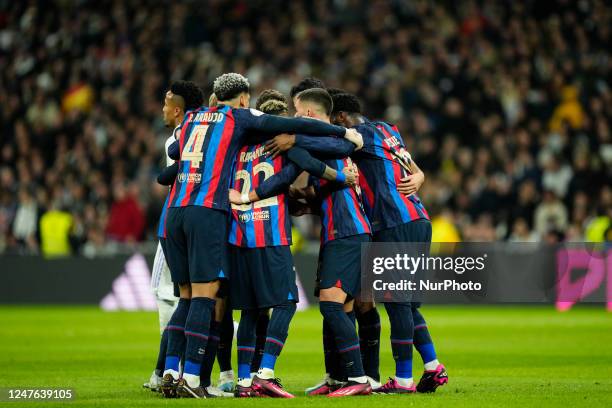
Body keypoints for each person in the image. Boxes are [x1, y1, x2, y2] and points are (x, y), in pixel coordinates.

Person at [161, 73, 358, 399]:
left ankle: (220, 376)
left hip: (219, 228)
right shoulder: (260, 131)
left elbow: (171, 158)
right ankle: (247, 374)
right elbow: (304, 163)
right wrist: (341, 165)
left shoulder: (209, 128)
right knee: (271, 301)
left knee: (235, 307)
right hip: (262, 230)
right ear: (244, 101)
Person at [239, 88, 373, 397]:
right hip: (342, 231)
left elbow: (331, 146)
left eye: (299, 112)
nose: (296, 118)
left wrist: (295, 140)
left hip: (347, 232)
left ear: (309, 115)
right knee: (345, 307)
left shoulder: (333, 143)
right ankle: (342, 378)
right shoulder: (328, 146)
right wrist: (301, 200)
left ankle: (359, 379)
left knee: (330, 303)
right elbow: (320, 189)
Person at [143, 80, 205, 393]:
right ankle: (181, 372)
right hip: (199, 222)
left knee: (175, 297)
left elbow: (169, 178)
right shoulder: (199, 135)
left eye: (166, 104)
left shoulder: (180, 137)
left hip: (177, 222)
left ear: (178, 110)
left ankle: (166, 371)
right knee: (198, 297)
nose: (163, 109)